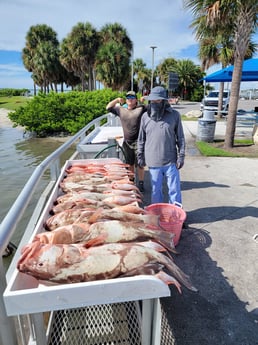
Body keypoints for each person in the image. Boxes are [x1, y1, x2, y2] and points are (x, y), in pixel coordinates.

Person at [137, 86, 185, 204]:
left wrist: (181, 156)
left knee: (174, 190)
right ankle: (157, 214)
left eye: (157, 101)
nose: (154, 103)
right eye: (152, 100)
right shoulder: (145, 117)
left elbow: (181, 138)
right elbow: (141, 139)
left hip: (171, 161)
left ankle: (176, 213)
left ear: (164, 101)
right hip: (153, 161)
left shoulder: (175, 115)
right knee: (156, 191)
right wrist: (140, 156)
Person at [106, 91, 146, 192]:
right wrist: (117, 100)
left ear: (136, 100)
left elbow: (152, 108)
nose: (130, 99)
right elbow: (108, 107)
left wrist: (143, 101)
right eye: (128, 97)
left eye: (132, 97)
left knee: (140, 164)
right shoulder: (120, 109)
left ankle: (141, 183)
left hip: (139, 141)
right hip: (127, 142)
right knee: (129, 164)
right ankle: (131, 181)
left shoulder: (140, 109)